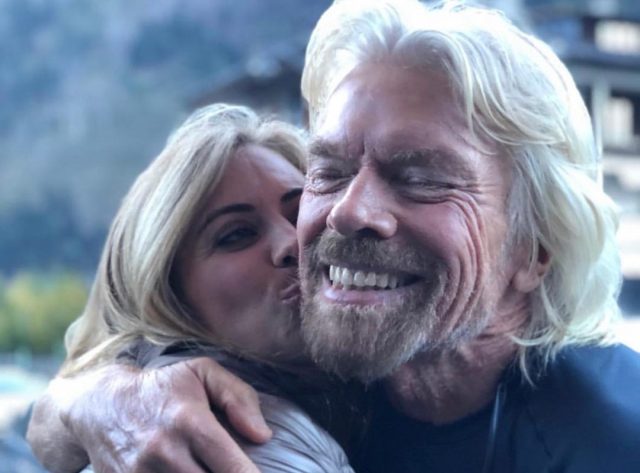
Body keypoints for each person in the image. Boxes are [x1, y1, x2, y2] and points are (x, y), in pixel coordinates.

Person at [28, 1, 640, 472]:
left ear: (535, 248)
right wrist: (96, 400)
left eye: (421, 177)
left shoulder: (608, 434)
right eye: (330, 172)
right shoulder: (326, 375)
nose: (347, 213)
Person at [27, 103, 361, 473]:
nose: (291, 243)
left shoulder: (370, 366)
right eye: (237, 234)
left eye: (299, 213)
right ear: (167, 295)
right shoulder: (203, 437)